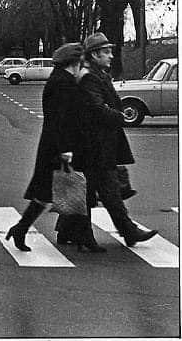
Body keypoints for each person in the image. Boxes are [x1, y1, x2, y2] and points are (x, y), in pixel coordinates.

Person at [5, 42, 105, 253]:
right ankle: (82, 237)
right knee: (73, 191)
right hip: (59, 148)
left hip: (55, 146)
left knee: (50, 194)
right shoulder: (63, 84)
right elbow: (60, 121)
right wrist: (66, 150)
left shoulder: (61, 81)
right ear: (74, 63)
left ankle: (22, 229)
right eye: (81, 63)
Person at [73, 31, 157, 247]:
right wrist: (120, 117)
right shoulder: (90, 77)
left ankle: (68, 231)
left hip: (97, 145)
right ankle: (129, 231)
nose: (111, 56)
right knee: (110, 191)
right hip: (97, 145)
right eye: (106, 52)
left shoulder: (97, 74)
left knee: (89, 191)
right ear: (94, 55)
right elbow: (97, 108)